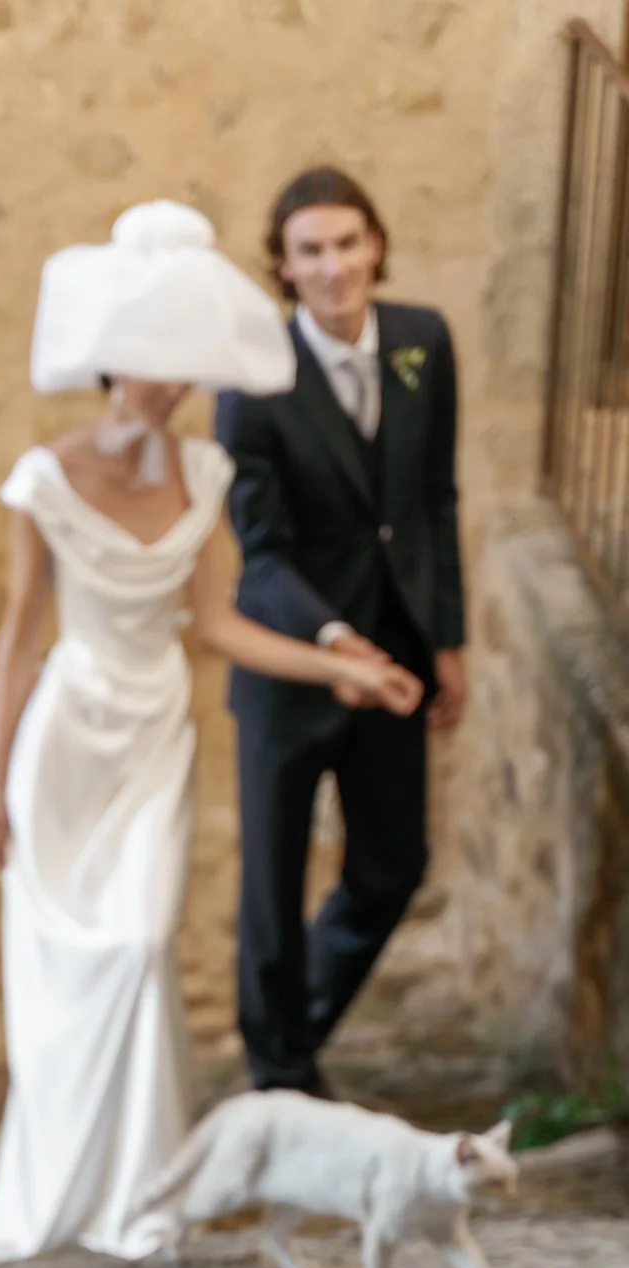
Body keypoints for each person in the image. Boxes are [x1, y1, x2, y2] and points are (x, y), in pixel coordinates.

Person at [0, 202, 421, 1268]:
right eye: (151, 364)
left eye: (182, 367)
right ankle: (64, 1187)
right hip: (70, 734)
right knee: (74, 965)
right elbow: (19, 642)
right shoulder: (43, 478)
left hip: (158, 730)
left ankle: (142, 1193)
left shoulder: (205, 475)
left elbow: (219, 626)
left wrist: (343, 663)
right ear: (114, 360)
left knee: (143, 943)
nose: (168, 385)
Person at [215, 166, 467, 1098]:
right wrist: (330, 641)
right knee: (274, 887)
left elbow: (435, 501)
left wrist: (446, 639)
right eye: (311, 250)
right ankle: (282, 1078)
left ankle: (291, 1039)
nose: (334, 267)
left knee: (393, 864)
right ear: (282, 266)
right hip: (290, 661)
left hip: (400, 645)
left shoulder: (422, 342)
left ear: (376, 245)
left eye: (348, 243)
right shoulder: (253, 383)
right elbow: (262, 551)